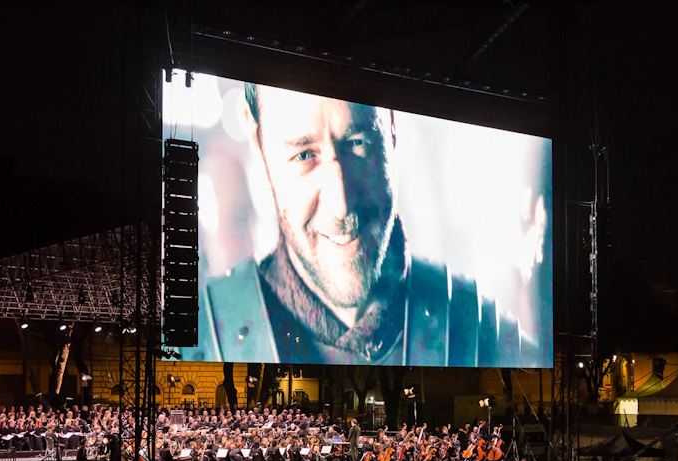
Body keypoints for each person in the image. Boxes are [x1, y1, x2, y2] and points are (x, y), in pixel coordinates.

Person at [185, 83, 536, 367]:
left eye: (358, 143)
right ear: (256, 139)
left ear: (392, 124)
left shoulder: (489, 339)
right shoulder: (193, 348)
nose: (341, 203)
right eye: (304, 155)